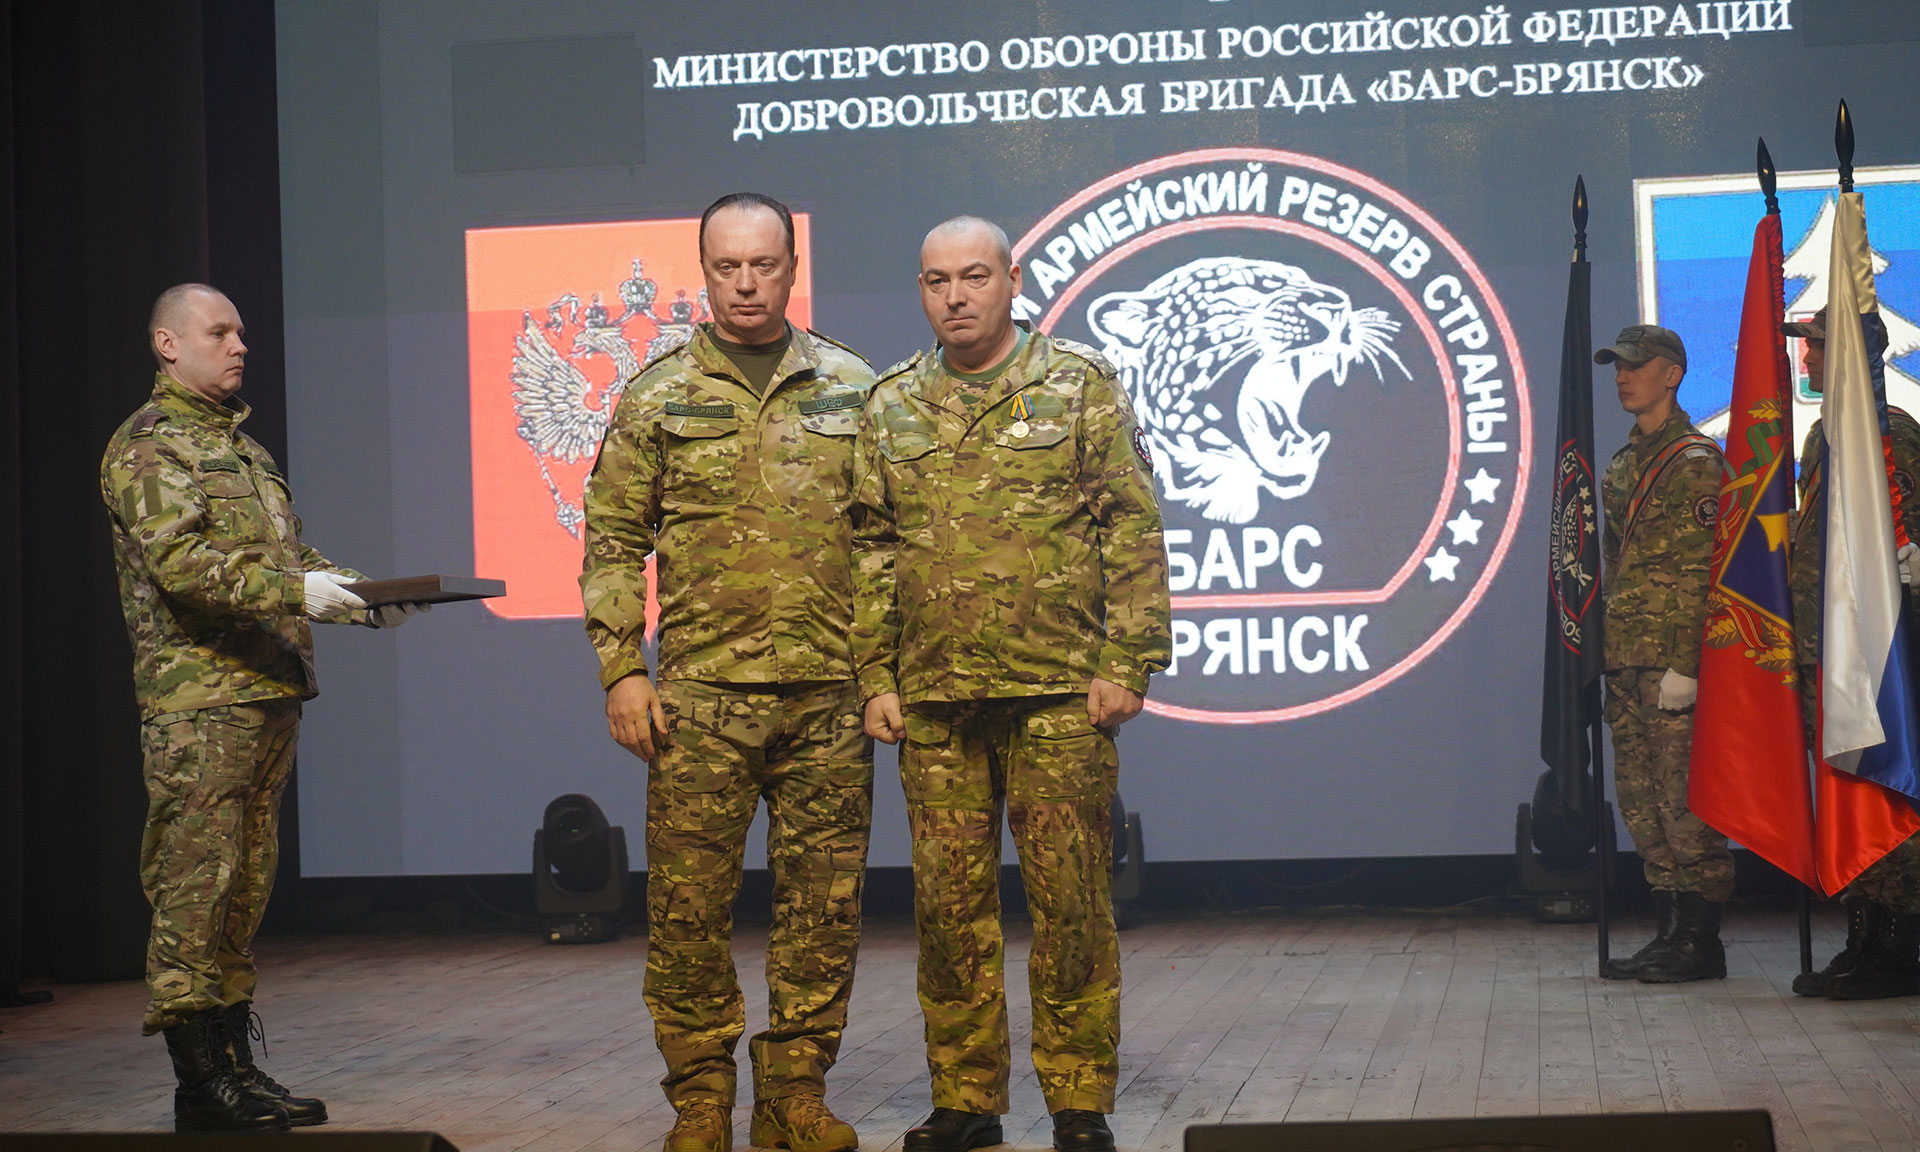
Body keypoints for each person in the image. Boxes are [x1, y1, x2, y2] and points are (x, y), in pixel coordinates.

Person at [851, 216, 1171, 1152]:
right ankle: (966, 1100)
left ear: (1013, 280)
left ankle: (1078, 1101)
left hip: (1059, 695)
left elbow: (1131, 525)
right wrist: (874, 673)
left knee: (1071, 905)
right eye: (937, 280)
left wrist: (1129, 660)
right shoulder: (892, 403)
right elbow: (870, 547)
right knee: (949, 910)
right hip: (937, 702)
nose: (955, 296)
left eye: (975, 276)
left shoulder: (1077, 383)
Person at [581, 193, 876, 1152]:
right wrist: (622, 669)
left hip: (829, 698)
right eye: (727, 267)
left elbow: (887, 544)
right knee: (687, 914)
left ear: (792, 267)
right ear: (703, 271)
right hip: (699, 703)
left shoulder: (852, 386)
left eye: (764, 264)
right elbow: (612, 540)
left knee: (823, 910)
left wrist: (883, 674)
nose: (746, 283)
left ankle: (795, 1094)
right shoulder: (658, 394)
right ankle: (702, 1100)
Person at [100, 283, 425, 1132]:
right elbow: (183, 566)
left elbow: (287, 556)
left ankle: (236, 1067)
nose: (240, 345)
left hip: (264, 693)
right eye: (220, 332)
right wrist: (300, 592)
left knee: (243, 888)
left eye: (241, 331)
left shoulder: (241, 449)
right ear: (168, 344)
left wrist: (363, 597)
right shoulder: (149, 445)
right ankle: (200, 1080)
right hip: (199, 703)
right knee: (195, 889)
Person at [1786, 305, 1920, 1000]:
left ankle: (1902, 943)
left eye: (1815, 345)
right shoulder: (1822, 437)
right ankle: (1865, 932)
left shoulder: (1891, 435)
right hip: (1826, 648)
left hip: (1876, 654)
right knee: (1846, 795)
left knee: (1886, 791)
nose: (1805, 357)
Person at [1592, 324, 1732, 984]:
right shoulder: (1624, 463)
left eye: (1636, 365)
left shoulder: (1695, 461)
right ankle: (1670, 931)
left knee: (1683, 803)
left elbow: (1703, 569)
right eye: (1617, 366)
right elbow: (1612, 565)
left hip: (1670, 663)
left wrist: (1687, 663)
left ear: (1671, 374)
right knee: (1642, 803)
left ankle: (1701, 940)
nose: (1623, 377)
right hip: (1626, 656)